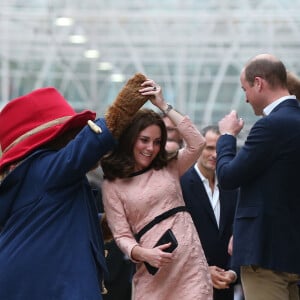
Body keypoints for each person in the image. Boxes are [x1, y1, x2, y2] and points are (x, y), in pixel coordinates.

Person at [0, 73, 152, 300]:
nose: (79, 135)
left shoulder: (40, 176)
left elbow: (66, 222)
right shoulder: (46, 168)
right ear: (54, 139)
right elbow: (90, 144)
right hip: (46, 285)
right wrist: (128, 102)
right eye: (74, 133)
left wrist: (113, 220)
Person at [101, 79, 213, 300]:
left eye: (157, 141)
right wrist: (144, 253)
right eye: (144, 140)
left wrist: (163, 105)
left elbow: (197, 143)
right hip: (152, 272)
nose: (150, 148)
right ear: (131, 139)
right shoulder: (112, 184)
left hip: (191, 269)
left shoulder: (169, 165)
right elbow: (122, 235)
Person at [216, 53, 300, 300]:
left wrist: (227, 137)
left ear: (259, 83)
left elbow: (228, 176)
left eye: (246, 89)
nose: (245, 97)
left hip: (265, 255)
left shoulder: (270, 126)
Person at [180, 125, 238, 300]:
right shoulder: (179, 184)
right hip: (188, 286)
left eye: (220, 149)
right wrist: (202, 270)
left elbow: (237, 233)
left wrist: (233, 272)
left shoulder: (234, 186)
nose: (215, 155)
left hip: (224, 285)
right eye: (210, 148)